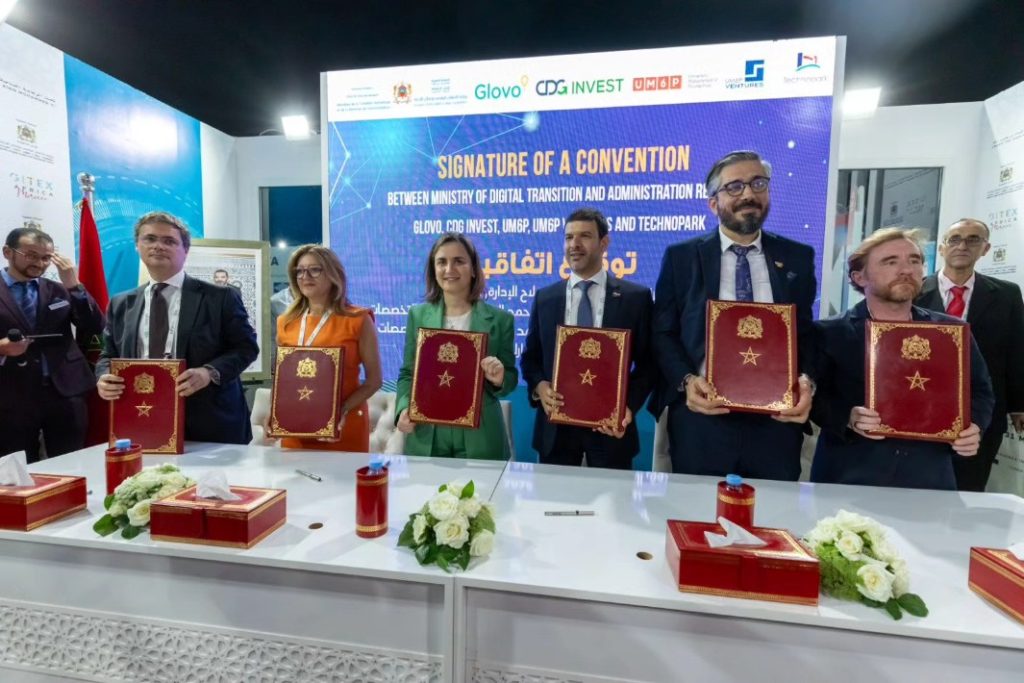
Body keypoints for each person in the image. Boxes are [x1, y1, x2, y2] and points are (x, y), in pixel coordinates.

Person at [650, 150, 815, 480]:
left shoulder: (797, 257)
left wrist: (807, 381)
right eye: (735, 187)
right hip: (703, 418)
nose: (749, 194)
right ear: (714, 203)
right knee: (695, 507)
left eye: (758, 183)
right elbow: (663, 332)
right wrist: (686, 381)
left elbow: (807, 334)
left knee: (772, 509)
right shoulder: (681, 257)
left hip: (776, 423)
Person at [811, 227, 994, 490]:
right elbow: (814, 398)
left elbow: (981, 391)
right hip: (848, 476)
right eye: (890, 262)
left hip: (929, 478)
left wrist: (973, 425)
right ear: (859, 277)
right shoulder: (830, 332)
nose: (906, 270)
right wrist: (847, 417)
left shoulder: (951, 331)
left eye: (914, 260)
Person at [96, 211, 258, 444]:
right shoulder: (121, 303)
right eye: (150, 239)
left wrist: (208, 373)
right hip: (144, 416)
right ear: (137, 246)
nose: (158, 246)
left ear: (185, 250)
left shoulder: (220, 297)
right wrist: (104, 376)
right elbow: (107, 355)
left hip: (210, 421)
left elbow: (246, 348)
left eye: (169, 241)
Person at [521, 207, 654, 469]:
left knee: (612, 497)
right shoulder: (546, 298)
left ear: (604, 243)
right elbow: (530, 358)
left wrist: (627, 406)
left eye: (585, 236)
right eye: (569, 237)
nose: (575, 244)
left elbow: (649, 363)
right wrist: (539, 387)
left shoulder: (635, 298)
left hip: (610, 430)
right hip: (556, 431)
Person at [915, 218, 1024, 491]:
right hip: (920, 407)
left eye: (973, 239)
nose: (962, 246)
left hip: (981, 412)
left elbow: (1016, 350)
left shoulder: (1007, 295)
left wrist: (1018, 405)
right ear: (942, 248)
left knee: (969, 489)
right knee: (919, 490)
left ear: (985, 249)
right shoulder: (914, 292)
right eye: (955, 239)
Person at [395, 233, 517, 459]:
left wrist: (500, 378)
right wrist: (403, 408)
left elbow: (510, 378)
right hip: (427, 432)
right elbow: (407, 374)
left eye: (459, 261)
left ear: (473, 269)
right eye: (441, 262)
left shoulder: (501, 320)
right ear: (433, 269)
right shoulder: (417, 315)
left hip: (480, 434)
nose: (449, 269)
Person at [0, 227, 104, 461]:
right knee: (17, 467)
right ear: (8, 252)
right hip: (10, 395)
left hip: (65, 391)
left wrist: (74, 287)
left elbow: (95, 326)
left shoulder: (58, 289)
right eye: (31, 255)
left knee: (73, 463)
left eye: (46, 257)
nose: (39, 263)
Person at [272, 244, 382, 452]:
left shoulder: (357, 319)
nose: (305, 276)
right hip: (296, 428)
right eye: (299, 271)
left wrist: (341, 410)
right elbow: (282, 379)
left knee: (344, 475)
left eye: (314, 269)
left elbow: (374, 381)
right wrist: (276, 412)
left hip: (343, 426)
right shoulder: (285, 322)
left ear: (333, 274)